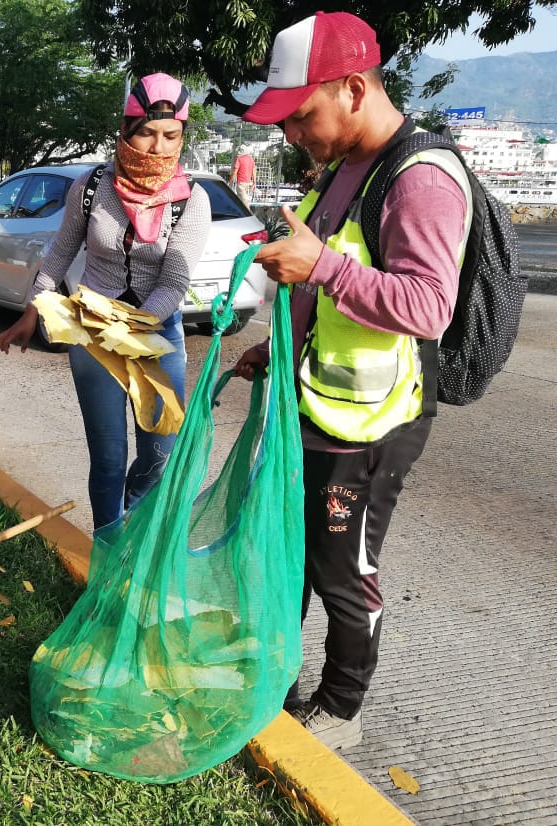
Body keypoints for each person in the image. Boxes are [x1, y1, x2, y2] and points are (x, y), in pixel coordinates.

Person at [233, 11, 470, 750]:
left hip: (372, 423)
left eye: (301, 116)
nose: (292, 136)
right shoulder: (343, 166)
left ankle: (341, 710)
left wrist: (322, 266)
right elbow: (318, 285)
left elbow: (429, 306)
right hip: (319, 402)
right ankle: (281, 681)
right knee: (294, 554)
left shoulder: (420, 178)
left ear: (356, 88)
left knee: (343, 568)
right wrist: (275, 349)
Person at [0, 73, 209, 531]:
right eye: (147, 133)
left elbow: (174, 279)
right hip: (92, 335)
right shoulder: (92, 186)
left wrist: (133, 329)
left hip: (156, 337)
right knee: (108, 459)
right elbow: (60, 253)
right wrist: (32, 310)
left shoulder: (193, 199)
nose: (158, 147)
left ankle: (131, 529)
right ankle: (108, 554)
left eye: (171, 136)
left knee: (159, 458)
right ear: (126, 130)